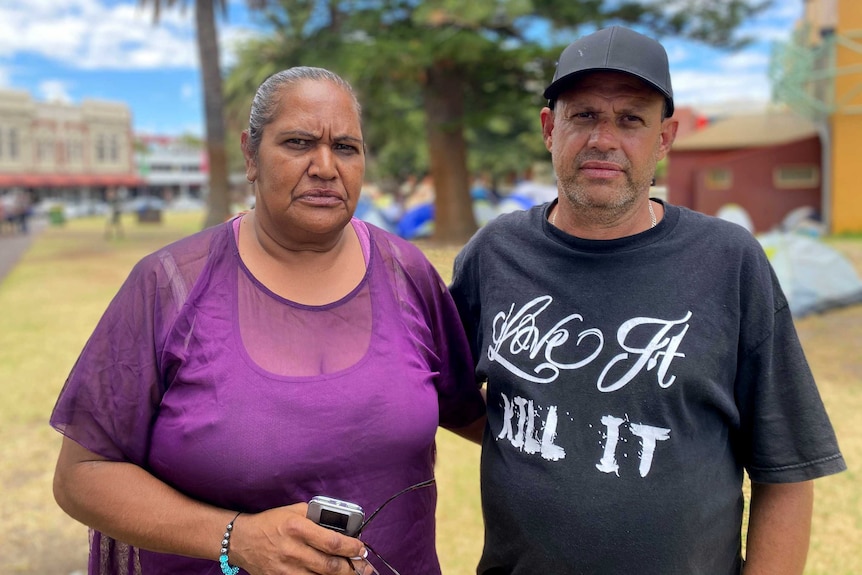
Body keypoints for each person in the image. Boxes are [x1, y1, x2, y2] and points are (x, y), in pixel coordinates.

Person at [51, 66, 486, 575]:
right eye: (299, 142)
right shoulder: (168, 287)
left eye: (346, 147)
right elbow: (82, 475)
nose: (325, 166)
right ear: (250, 155)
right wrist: (236, 538)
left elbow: (471, 413)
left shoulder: (406, 273)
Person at [449, 26, 846, 574]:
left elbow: (787, 467)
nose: (603, 139)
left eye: (631, 118)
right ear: (549, 128)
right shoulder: (495, 253)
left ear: (664, 137)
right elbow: (442, 394)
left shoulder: (728, 261)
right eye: (583, 115)